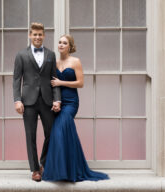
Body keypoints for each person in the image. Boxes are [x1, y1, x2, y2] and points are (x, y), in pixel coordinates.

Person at [42, 34, 110, 182]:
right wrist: (55, 101)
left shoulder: (75, 61)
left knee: (60, 129)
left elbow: (80, 83)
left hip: (71, 102)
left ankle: (69, 171)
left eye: (64, 43)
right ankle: (62, 170)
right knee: (59, 133)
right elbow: (51, 85)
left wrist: (61, 82)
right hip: (58, 102)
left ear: (70, 46)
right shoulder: (54, 62)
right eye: (59, 42)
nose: (60, 45)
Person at [13, 22, 61, 182]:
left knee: (51, 134)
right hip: (28, 101)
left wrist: (57, 99)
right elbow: (16, 79)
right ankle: (35, 170)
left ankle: (43, 162)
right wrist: (17, 100)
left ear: (44, 36)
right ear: (30, 35)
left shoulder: (51, 55)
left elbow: (54, 79)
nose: (38, 37)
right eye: (35, 34)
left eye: (40, 34)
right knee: (30, 135)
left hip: (47, 101)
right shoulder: (21, 55)